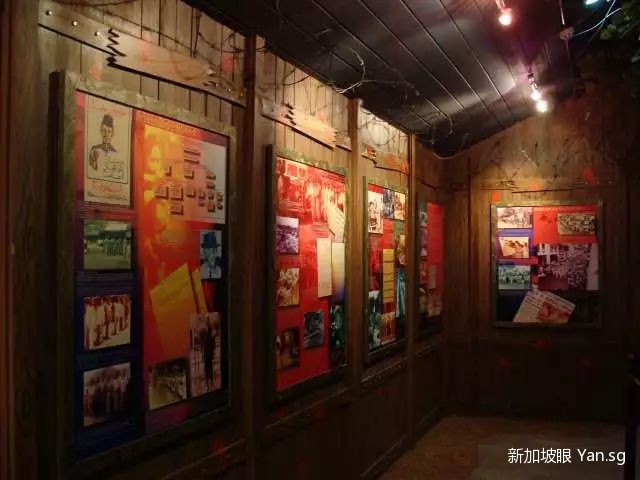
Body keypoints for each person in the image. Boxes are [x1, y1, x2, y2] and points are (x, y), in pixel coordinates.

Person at [88, 114, 124, 180]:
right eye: (104, 130)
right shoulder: (95, 149)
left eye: (109, 131)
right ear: (101, 131)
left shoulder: (115, 152)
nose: (106, 134)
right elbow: (91, 169)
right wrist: (95, 161)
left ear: (112, 133)